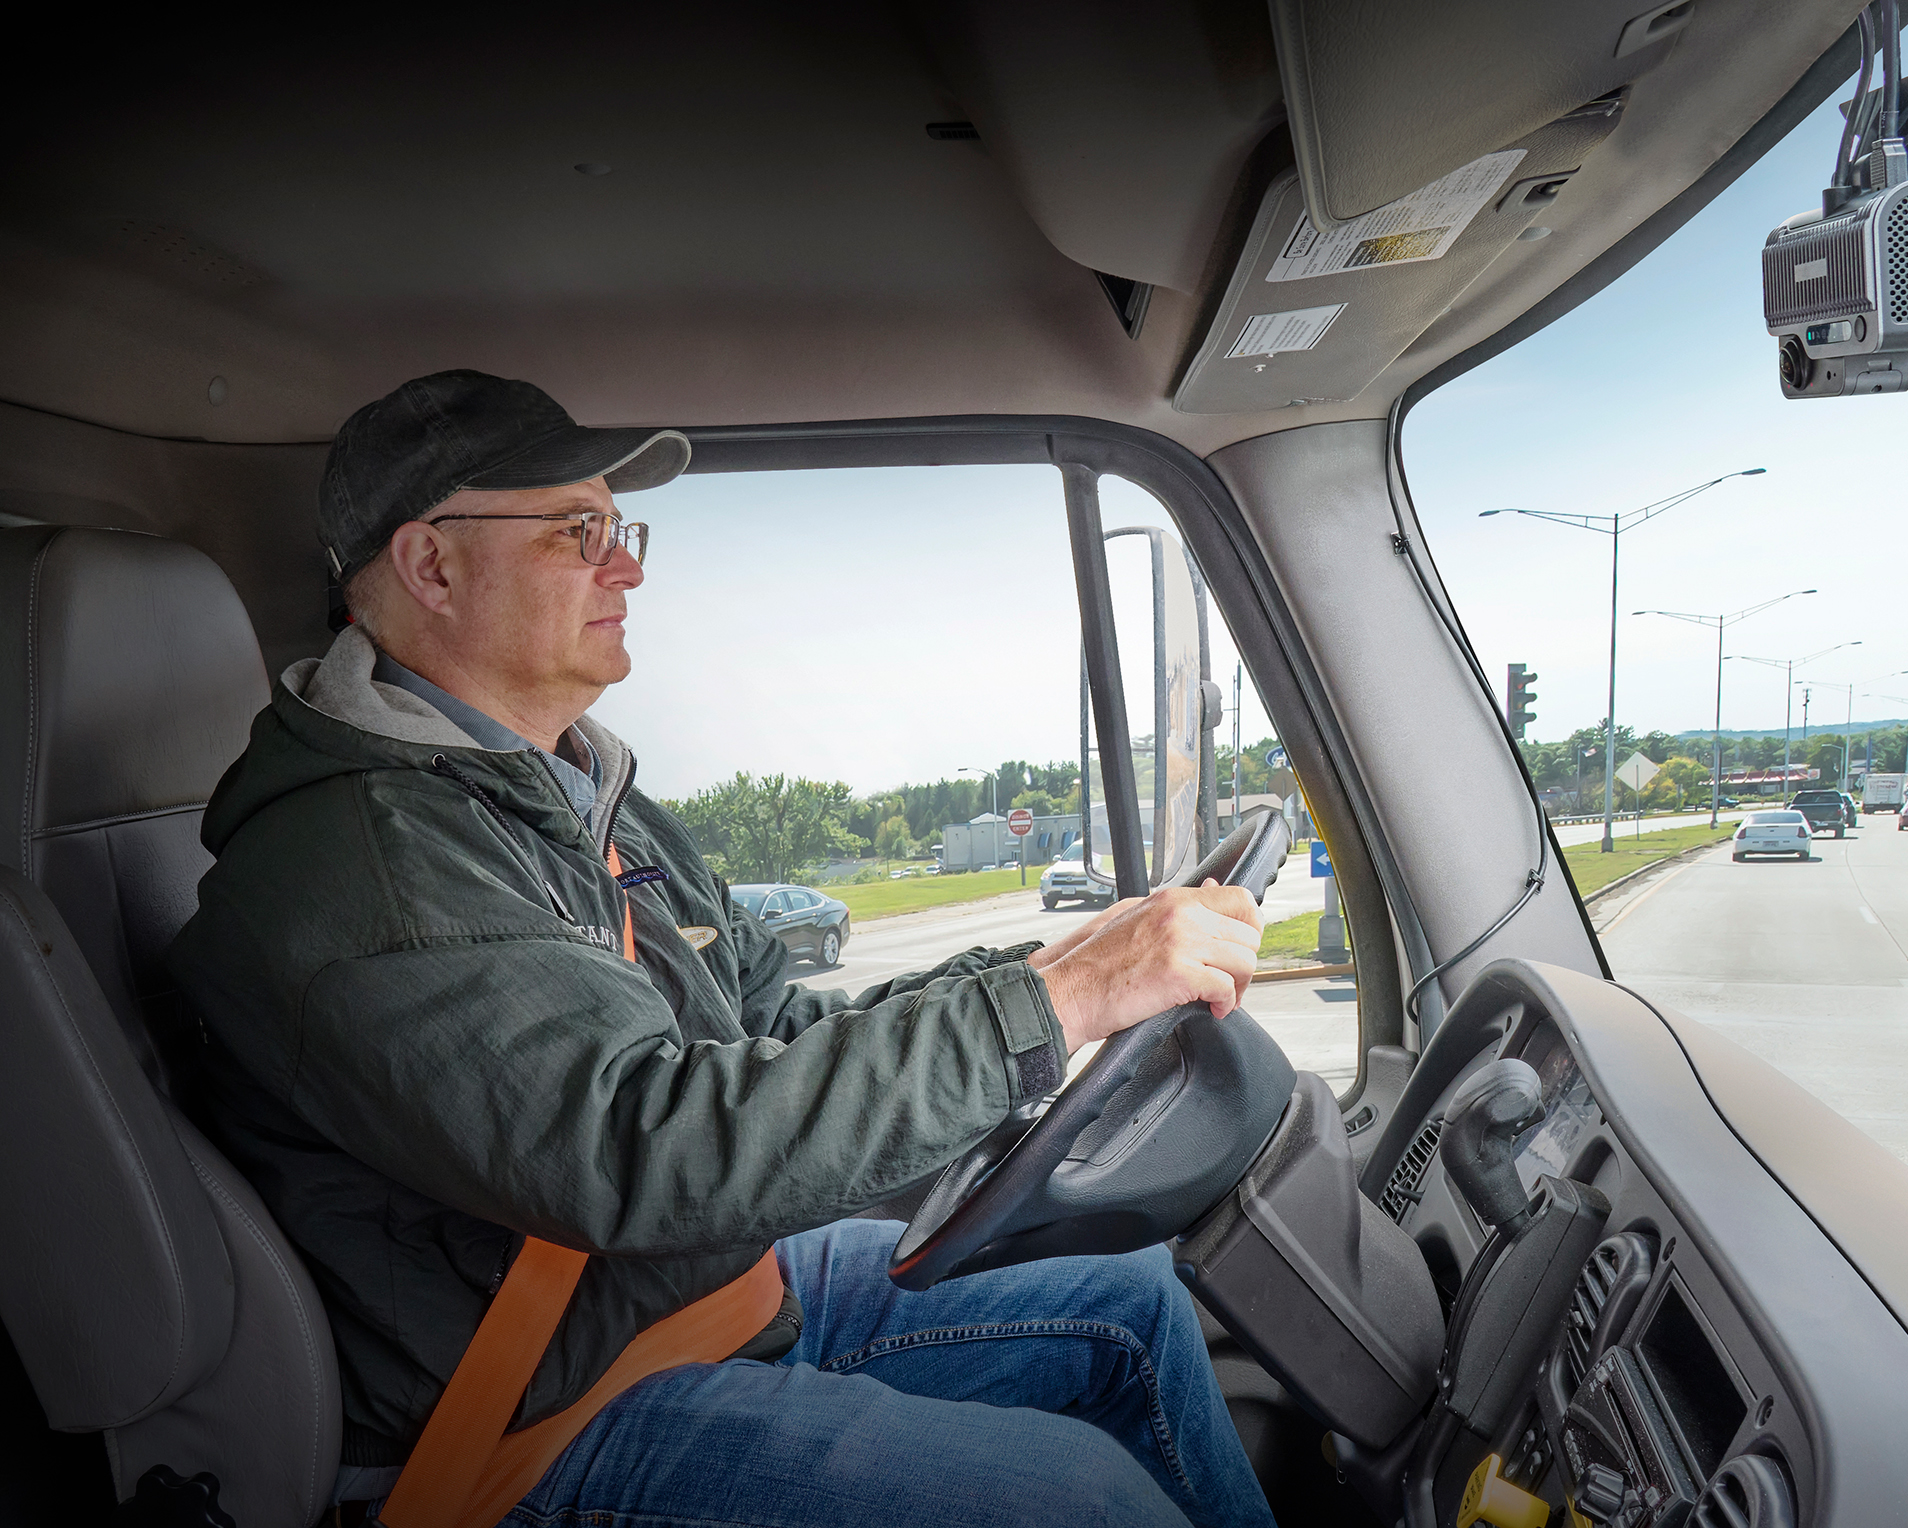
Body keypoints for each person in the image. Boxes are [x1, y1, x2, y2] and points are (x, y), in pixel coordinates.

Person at [167, 371, 1274, 1527]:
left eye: (620, 528)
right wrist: (1050, 1008)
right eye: (578, 530)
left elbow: (775, 1029)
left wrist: (1049, 973)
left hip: (691, 1295)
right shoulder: (365, 862)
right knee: (1082, 1503)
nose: (628, 566)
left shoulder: (577, 790)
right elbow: (640, 1146)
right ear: (431, 567)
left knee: (1131, 1300)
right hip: (537, 1420)